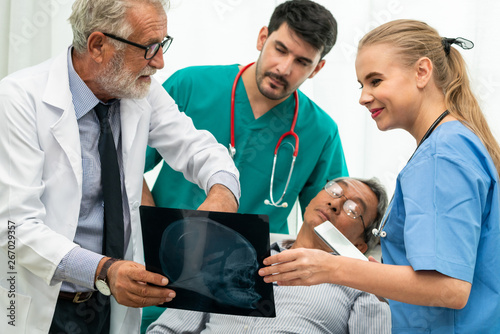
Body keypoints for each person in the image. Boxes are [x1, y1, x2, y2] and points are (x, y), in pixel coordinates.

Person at [0, 0, 241, 333]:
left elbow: (197, 146)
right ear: (98, 45)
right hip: (45, 301)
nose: (159, 62)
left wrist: (223, 193)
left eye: (163, 44)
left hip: (112, 304)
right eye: (149, 48)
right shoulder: (19, 99)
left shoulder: (140, 91)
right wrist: (104, 270)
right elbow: (15, 229)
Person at [259, 19, 500, 333]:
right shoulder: (455, 144)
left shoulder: (442, 155)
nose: (363, 97)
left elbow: (450, 288)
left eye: (375, 81)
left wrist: (332, 267)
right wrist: (379, 273)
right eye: (362, 85)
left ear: (422, 72)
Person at [142, 0, 348, 235]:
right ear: (262, 38)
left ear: (317, 69)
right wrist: (149, 226)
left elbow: (329, 222)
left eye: (302, 62)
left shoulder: (321, 132)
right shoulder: (189, 85)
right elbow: (125, 163)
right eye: (280, 50)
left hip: (257, 265)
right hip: (167, 246)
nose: (284, 68)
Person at [147, 177, 391, 334]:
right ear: (310, 201)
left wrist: (374, 285)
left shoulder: (361, 285)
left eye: (353, 209)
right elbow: (169, 328)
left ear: (360, 246)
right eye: (335, 191)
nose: (335, 204)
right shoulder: (236, 252)